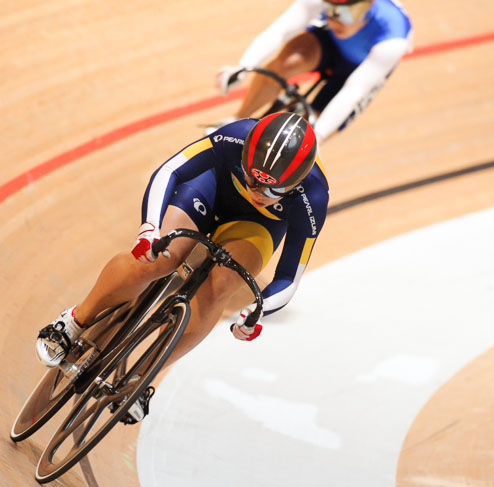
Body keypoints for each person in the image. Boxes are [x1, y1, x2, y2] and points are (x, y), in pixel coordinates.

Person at [36, 112, 329, 422]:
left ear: (295, 184)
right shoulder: (236, 135)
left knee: (220, 287)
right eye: (252, 178)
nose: (257, 192)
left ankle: (142, 377)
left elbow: (288, 278)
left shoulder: (314, 196)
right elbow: (170, 170)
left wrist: (257, 312)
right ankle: (74, 322)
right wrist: (150, 229)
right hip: (210, 189)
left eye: (271, 191)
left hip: (256, 227)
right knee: (159, 259)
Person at [209, 0, 412, 142]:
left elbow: (354, 91)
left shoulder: (393, 36)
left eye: (346, 14)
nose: (335, 20)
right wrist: (243, 68)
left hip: (361, 66)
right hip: (328, 42)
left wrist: (318, 136)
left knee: (305, 133)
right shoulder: (322, 6)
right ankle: (237, 119)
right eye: (331, 10)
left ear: (369, 5)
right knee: (286, 63)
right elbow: (281, 30)